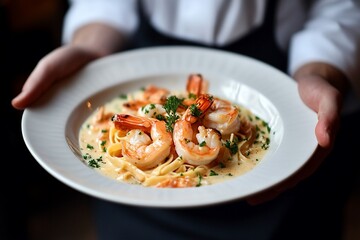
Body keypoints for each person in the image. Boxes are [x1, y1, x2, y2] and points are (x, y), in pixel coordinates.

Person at [11, 0, 360, 239]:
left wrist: (321, 71)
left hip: (285, 202)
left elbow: (341, 6)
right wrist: (89, 49)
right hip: (133, 209)